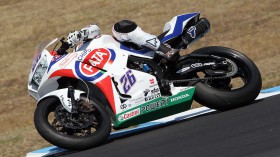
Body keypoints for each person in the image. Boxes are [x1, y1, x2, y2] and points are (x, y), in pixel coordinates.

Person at [66, 20, 178, 61]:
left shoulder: (81, 44)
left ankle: (165, 49)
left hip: (121, 47)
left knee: (119, 27)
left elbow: (95, 28)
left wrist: (79, 35)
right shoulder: (75, 63)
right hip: (115, 66)